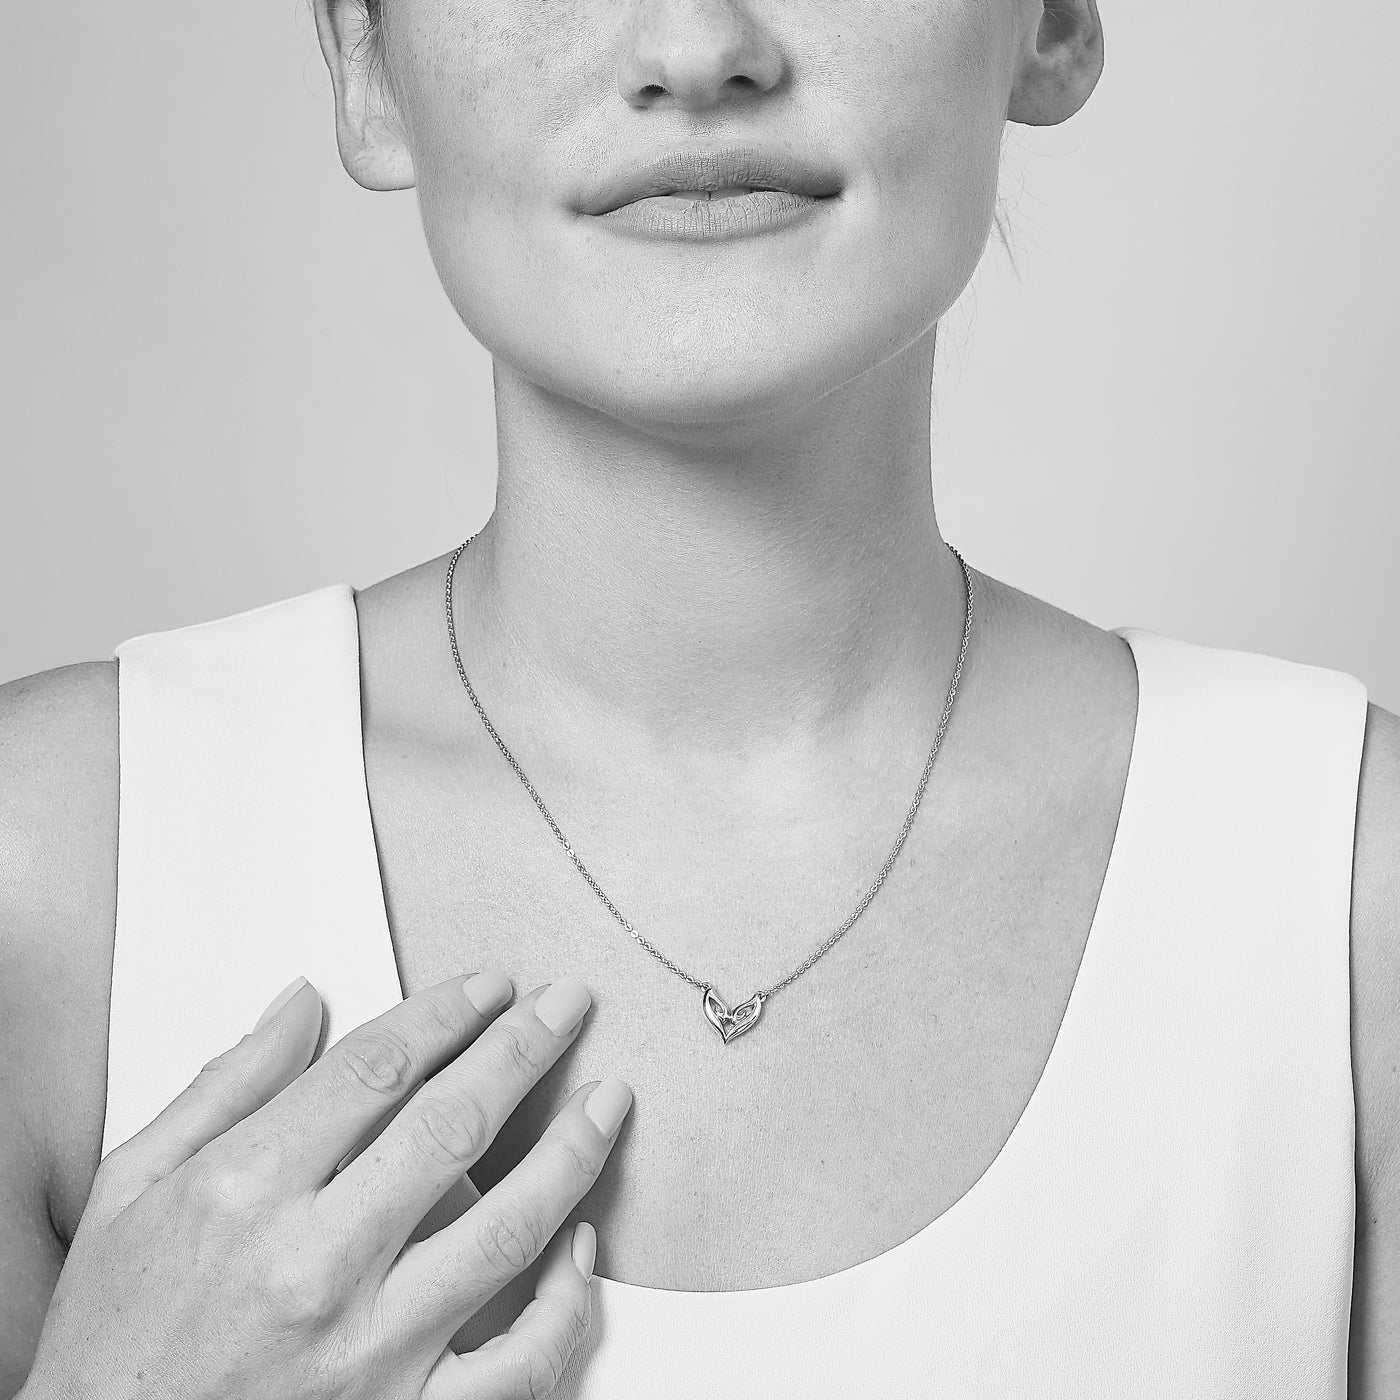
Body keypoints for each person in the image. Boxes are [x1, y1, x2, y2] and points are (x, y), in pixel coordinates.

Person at [1, 0, 1396, 1396]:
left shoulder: (1347, 899)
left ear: (1052, 21)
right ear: (367, 61)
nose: (697, 46)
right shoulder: (51, 875)